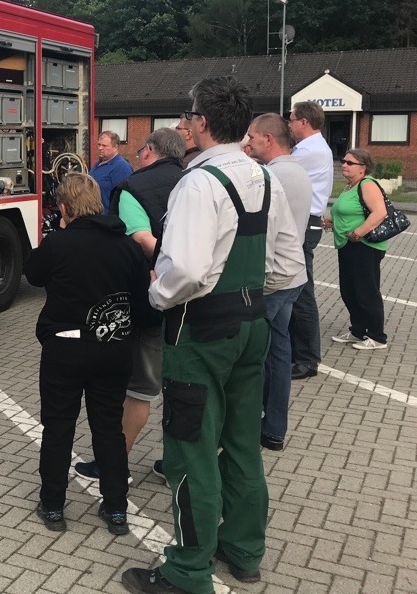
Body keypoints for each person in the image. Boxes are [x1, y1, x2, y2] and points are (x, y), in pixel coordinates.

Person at [121, 77, 304, 594]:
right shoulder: (264, 177)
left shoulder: (198, 183)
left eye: (188, 114)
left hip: (201, 334)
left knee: (190, 451)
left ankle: (187, 571)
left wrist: (158, 295)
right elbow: (288, 263)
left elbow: (187, 272)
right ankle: (243, 551)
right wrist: (245, 291)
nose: (185, 121)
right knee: (243, 443)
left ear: (201, 121)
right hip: (252, 326)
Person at [24, 173, 150, 537]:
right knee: (108, 428)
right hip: (113, 347)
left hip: (65, 348)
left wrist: (58, 232)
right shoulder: (126, 246)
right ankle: (115, 509)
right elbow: (143, 302)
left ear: (64, 208)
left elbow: (33, 274)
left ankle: (52, 505)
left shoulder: (60, 243)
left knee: (58, 426)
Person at [73, 127, 184, 481]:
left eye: (140, 152)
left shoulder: (134, 188)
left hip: (153, 300)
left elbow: (138, 238)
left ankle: (113, 464)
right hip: (196, 304)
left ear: (149, 151)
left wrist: (169, 270)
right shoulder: (197, 182)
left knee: (139, 390)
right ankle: (178, 465)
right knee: (184, 388)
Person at [245, 113, 311, 451]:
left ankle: (250, 423)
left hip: (274, 278)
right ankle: (273, 428)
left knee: (254, 354)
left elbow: (265, 233)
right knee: (279, 353)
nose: (248, 144)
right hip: (295, 273)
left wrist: (259, 279)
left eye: (252, 138)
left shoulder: (269, 177)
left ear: (269, 139)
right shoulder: (297, 169)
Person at [324, 148, 390, 350]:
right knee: (349, 290)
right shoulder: (349, 187)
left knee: (366, 291)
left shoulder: (367, 184)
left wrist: (359, 232)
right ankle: (358, 331)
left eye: (350, 163)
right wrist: (332, 222)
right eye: (344, 161)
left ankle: (377, 336)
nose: (344, 164)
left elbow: (380, 212)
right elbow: (349, 214)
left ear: (363, 168)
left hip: (364, 246)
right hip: (347, 245)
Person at [287, 101, 334, 380]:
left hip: (304, 223)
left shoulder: (308, 151)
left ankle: (306, 358)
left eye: (291, 120)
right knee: (297, 289)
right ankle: (299, 353)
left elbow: (274, 166)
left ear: (303, 121)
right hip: (305, 222)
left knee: (302, 292)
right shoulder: (313, 147)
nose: (289, 125)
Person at [90, 131, 133, 213]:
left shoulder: (121, 167)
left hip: (107, 220)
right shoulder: (98, 164)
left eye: (104, 145)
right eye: (99, 144)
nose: (100, 148)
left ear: (115, 147)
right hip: (94, 218)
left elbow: (124, 198)